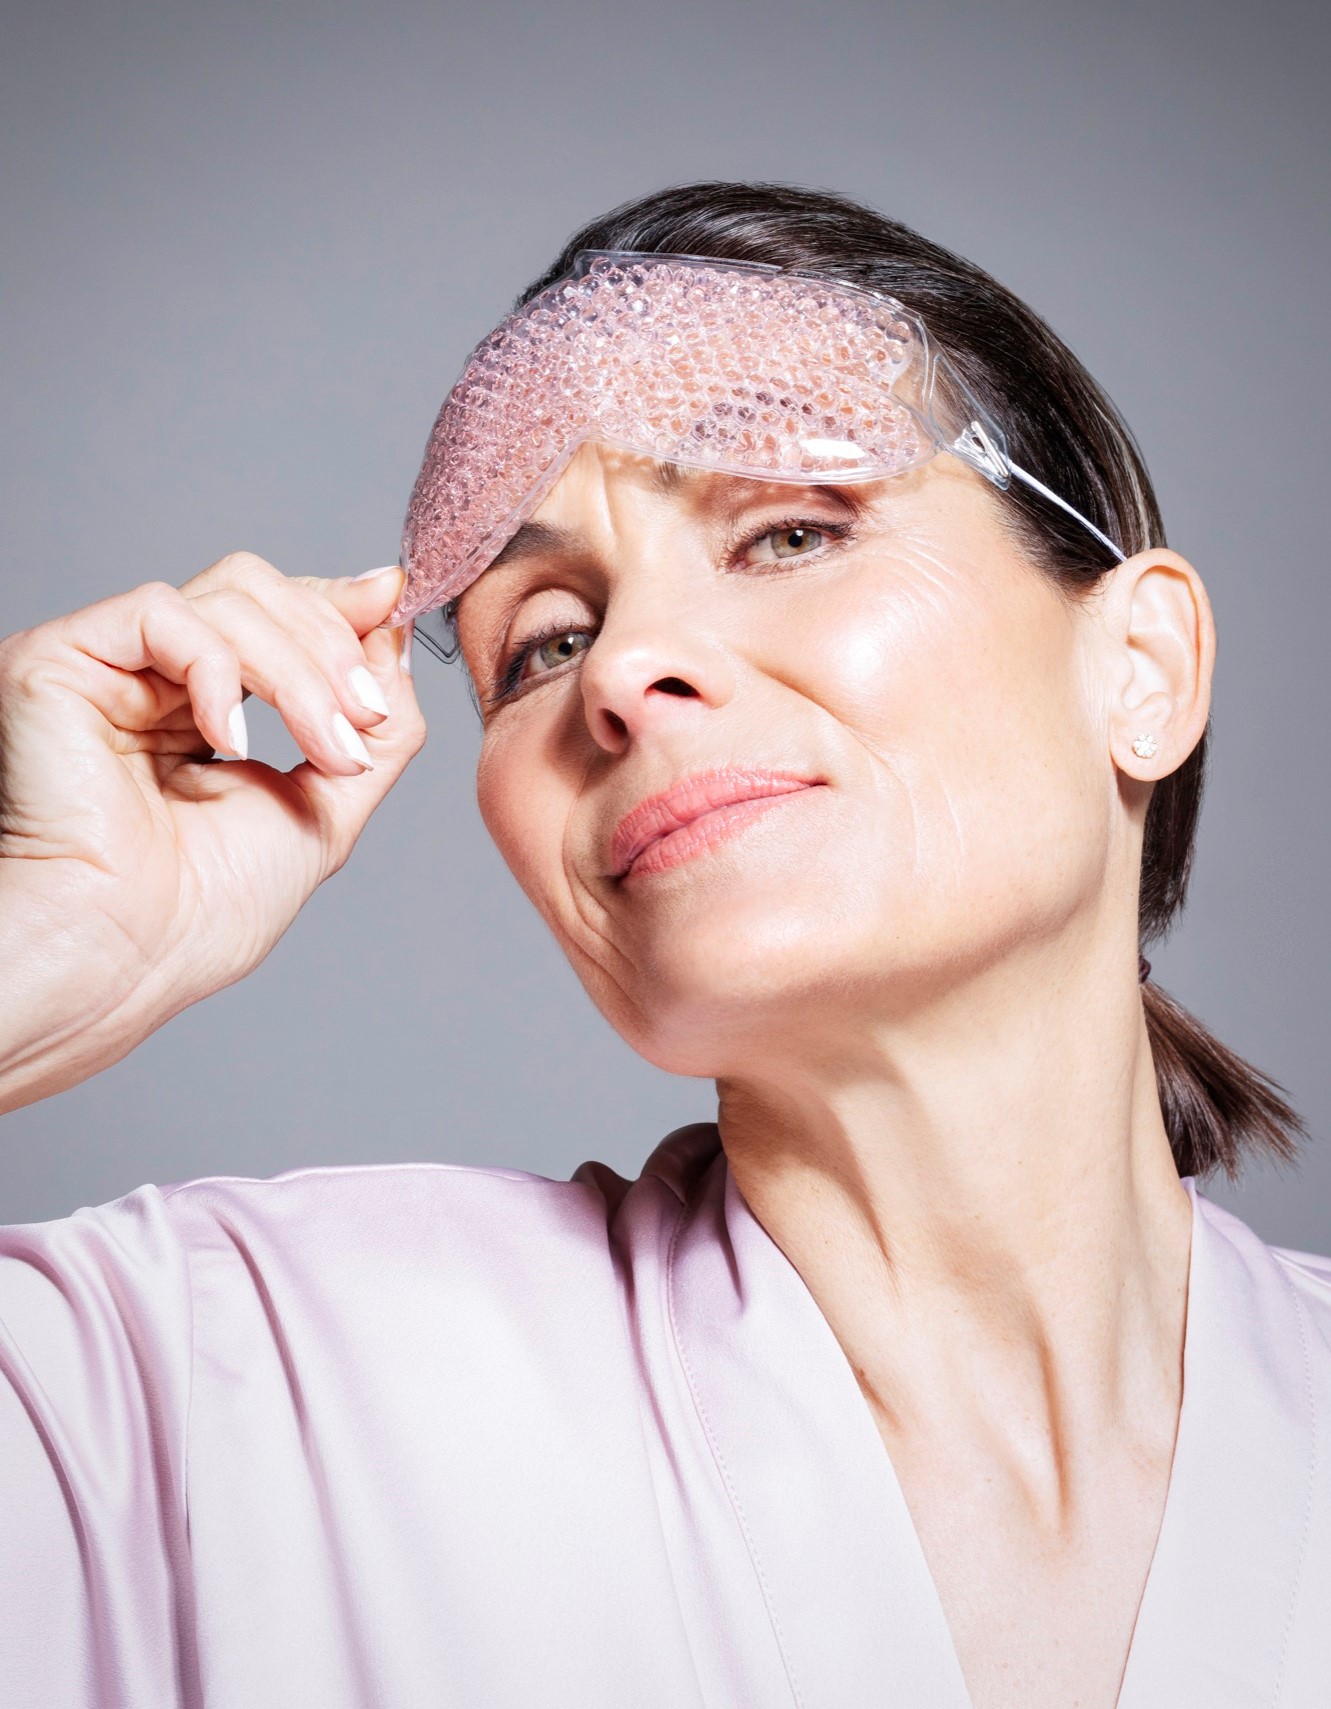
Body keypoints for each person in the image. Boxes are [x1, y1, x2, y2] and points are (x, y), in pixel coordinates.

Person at [1, 181, 1327, 1709]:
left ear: (1140, 668)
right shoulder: (221, 1388)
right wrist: (45, 937)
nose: (622, 668)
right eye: (546, 640)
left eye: (788, 530)